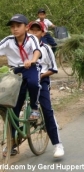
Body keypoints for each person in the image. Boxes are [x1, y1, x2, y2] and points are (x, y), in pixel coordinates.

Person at [27, 21, 65, 158]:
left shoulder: (46, 48)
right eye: (31, 31)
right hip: (25, 81)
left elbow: (53, 69)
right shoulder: (23, 47)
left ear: (43, 33)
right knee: (13, 108)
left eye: (37, 31)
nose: (33, 33)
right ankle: (12, 142)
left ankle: (57, 144)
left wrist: (40, 76)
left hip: (41, 81)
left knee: (47, 110)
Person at [0, 14, 42, 121]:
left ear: (27, 27)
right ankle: (14, 135)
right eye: (12, 26)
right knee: (13, 100)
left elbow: (37, 51)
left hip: (31, 67)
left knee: (33, 83)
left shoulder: (31, 38)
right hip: (15, 71)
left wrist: (32, 60)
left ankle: (34, 108)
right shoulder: (8, 40)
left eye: (18, 26)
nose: (15, 29)